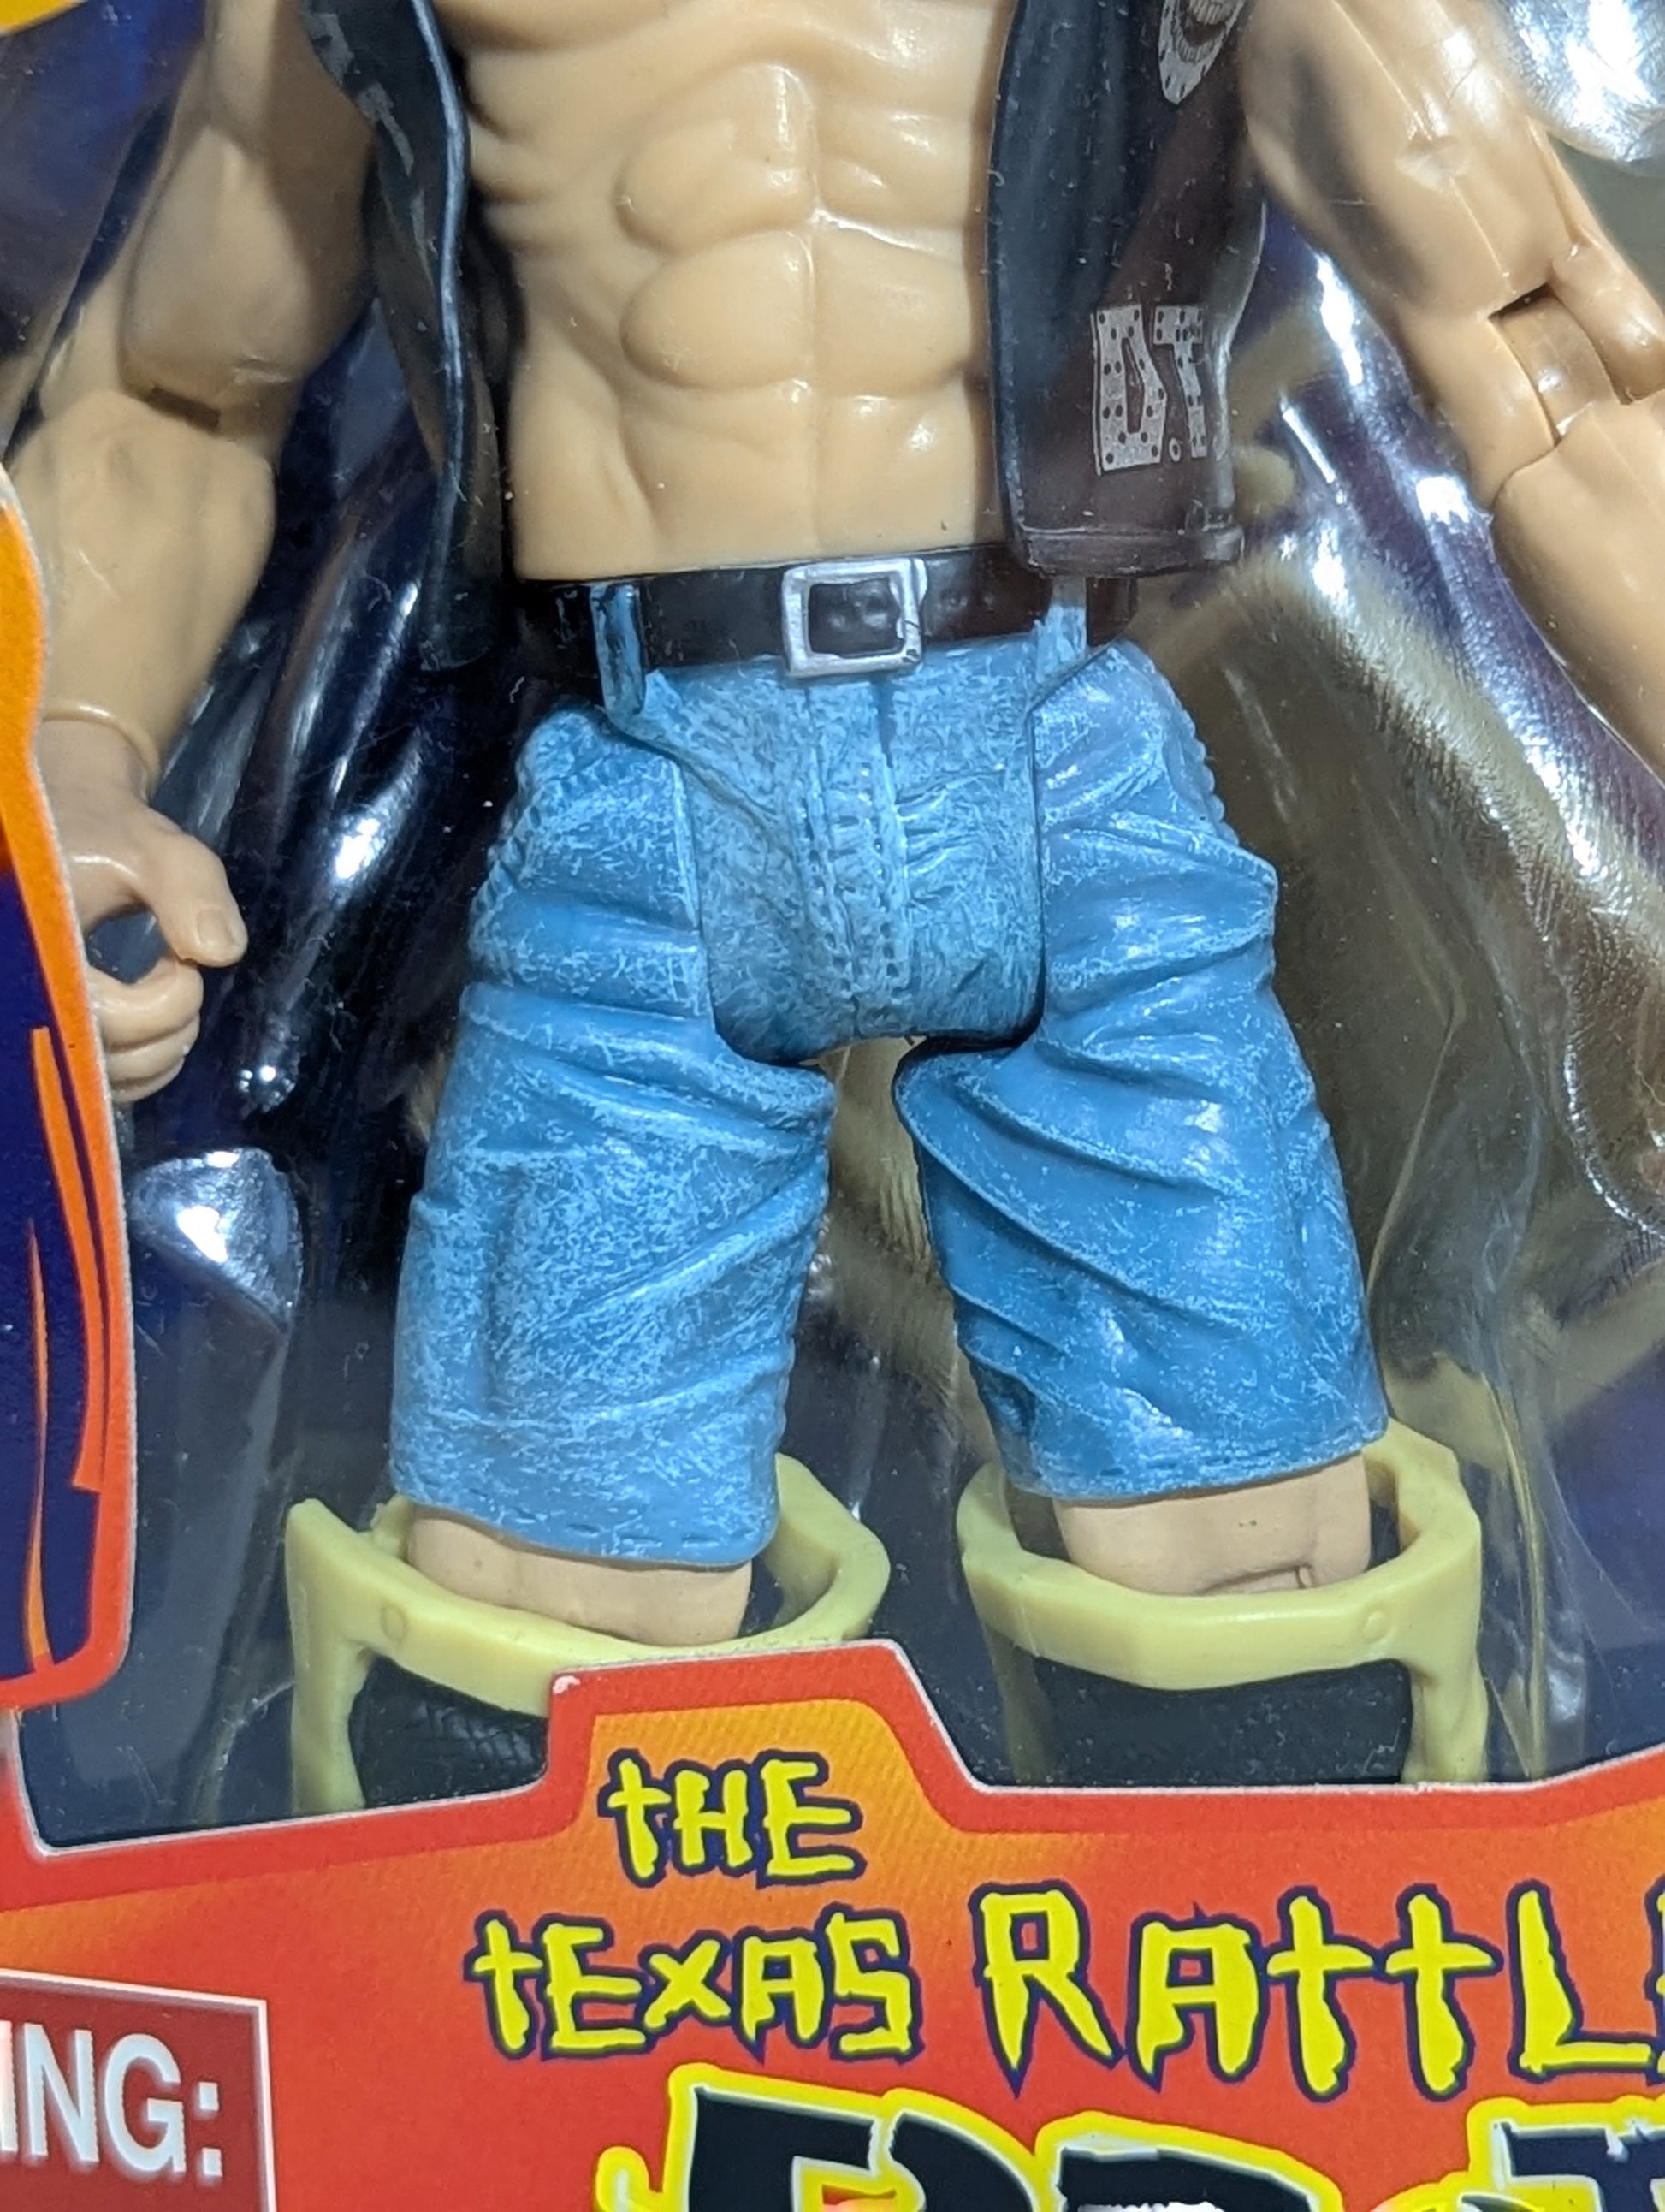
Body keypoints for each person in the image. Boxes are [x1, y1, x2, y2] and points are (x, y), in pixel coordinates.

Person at [13, 0, 1660, 1801]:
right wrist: (69, 759)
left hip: (1056, 770)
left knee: (1250, 1552)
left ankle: (1277, 1962)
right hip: (653, 806)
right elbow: (176, 390)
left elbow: (1552, 369)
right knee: (544, 1612)